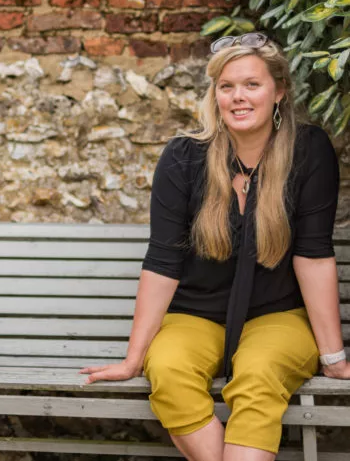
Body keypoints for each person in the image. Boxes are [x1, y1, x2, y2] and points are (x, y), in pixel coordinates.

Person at [80, 32, 349, 461]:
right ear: (215, 94)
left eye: (251, 85)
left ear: (279, 91)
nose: (238, 97)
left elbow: (312, 254)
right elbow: (163, 261)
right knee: (167, 370)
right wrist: (133, 360)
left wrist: (333, 357)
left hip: (277, 316)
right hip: (195, 315)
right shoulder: (184, 157)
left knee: (258, 375)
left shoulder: (308, 152)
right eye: (226, 87)